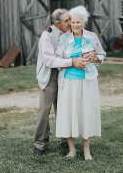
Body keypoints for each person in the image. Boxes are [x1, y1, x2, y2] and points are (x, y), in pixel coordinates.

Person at [33, 8, 91, 156]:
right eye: (67, 20)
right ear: (58, 24)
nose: (70, 22)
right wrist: (71, 61)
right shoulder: (47, 36)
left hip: (66, 74)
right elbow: (50, 60)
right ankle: (40, 144)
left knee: (65, 108)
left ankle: (65, 140)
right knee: (44, 110)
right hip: (50, 75)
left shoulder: (69, 33)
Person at [55, 6, 106, 160]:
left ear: (84, 22)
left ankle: (86, 150)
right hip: (68, 81)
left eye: (78, 22)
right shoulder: (64, 38)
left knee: (86, 113)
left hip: (87, 81)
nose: (75, 25)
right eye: (73, 22)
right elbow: (57, 60)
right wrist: (72, 62)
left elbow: (102, 55)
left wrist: (94, 57)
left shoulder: (92, 37)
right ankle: (71, 150)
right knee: (69, 114)